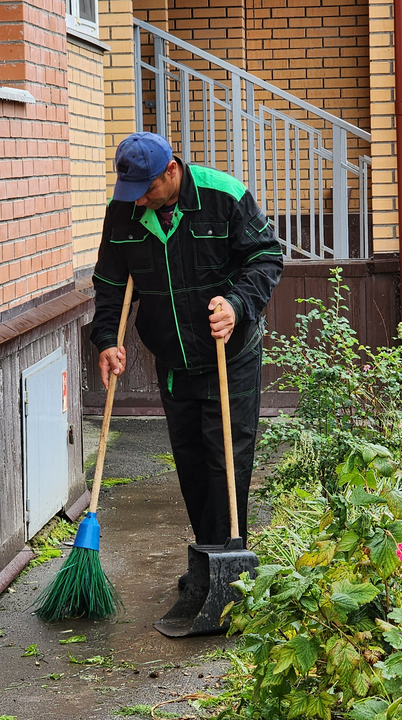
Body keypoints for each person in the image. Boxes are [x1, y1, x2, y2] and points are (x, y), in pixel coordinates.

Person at [90, 132, 283, 566]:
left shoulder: (224, 196)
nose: (139, 202)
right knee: (192, 467)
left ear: (171, 171)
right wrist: (106, 340)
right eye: (132, 194)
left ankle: (228, 566)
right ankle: (209, 562)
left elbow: (267, 257)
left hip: (230, 358)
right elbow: (110, 286)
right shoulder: (122, 213)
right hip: (175, 362)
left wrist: (237, 305)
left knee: (226, 463)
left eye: (147, 191)